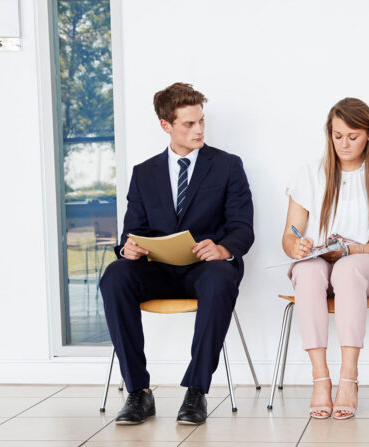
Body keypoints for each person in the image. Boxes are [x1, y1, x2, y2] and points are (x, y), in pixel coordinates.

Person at [99, 82, 254, 425]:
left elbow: (243, 226)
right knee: (115, 276)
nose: (198, 129)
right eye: (189, 124)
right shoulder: (144, 173)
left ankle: (196, 390)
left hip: (205, 269)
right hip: (157, 270)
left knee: (219, 279)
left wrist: (222, 248)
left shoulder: (227, 166)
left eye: (201, 121)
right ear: (165, 125)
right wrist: (129, 247)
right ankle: (138, 391)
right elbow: (131, 229)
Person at [282, 98, 369, 419]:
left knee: (347, 268)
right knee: (307, 269)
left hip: (365, 266)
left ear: (368, 136)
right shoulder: (310, 173)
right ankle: (321, 379)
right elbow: (289, 235)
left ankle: (349, 379)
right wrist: (297, 246)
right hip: (322, 267)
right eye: (337, 136)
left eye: (352, 136)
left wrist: (352, 249)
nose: (344, 144)